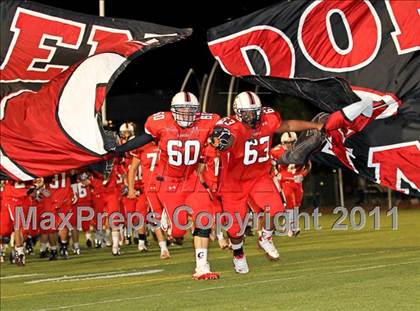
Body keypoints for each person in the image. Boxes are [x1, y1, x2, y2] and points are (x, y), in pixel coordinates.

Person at [209, 91, 323, 274]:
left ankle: (266, 237)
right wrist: (219, 142)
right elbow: (224, 140)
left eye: (255, 111)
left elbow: (286, 125)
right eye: (247, 112)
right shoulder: (230, 126)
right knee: (236, 229)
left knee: (276, 209)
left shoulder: (267, 118)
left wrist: (315, 125)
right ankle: (238, 253)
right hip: (233, 182)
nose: (252, 116)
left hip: (258, 177)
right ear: (237, 112)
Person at [142, 91, 221, 280]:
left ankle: (202, 266)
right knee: (178, 231)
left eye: (190, 110)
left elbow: (224, 133)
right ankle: (167, 216)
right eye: (182, 110)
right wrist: (119, 149)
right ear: (173, 111)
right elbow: (143, 138)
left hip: (191, 179)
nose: (186, 114)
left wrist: (224, 139)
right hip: (168, 181)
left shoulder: (206, 122)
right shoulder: (161, 122)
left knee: (204, 217)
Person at [271, 132, 311, 237]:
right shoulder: (275, 151)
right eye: (287, 143)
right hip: (284, 181)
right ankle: (292, 228)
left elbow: (308, 165)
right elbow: (268, 165)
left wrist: (302, 175)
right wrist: (275, 175)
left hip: (297, 181)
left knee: (296, 205)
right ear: (282, 142)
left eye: (292, 142)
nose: (289, 145)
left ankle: (286, 224)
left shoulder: (302, 149)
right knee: (290, 203)